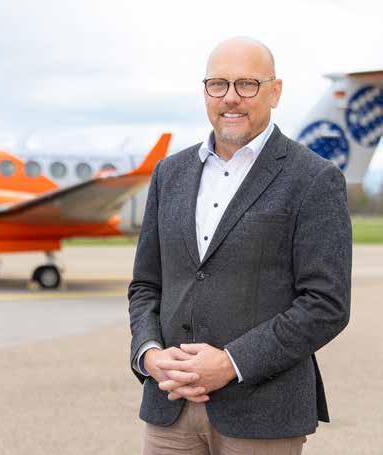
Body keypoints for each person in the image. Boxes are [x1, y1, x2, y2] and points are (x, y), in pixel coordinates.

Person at [127, 36, 352, 455]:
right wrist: (149, 354)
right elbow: (145, 285)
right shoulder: (168, 174)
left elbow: (326, 304)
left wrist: (231, 363)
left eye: (247, 84)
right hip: (169, 408)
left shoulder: (314, 179)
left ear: (275, 92)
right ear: (205, 91)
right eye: (218, 84)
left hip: (262, 414)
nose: (231, 97)